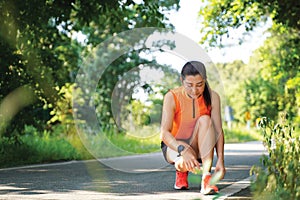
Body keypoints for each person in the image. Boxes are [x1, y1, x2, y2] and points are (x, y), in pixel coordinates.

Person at [160, 61, 225, 195]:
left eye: (199, 85)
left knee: (206, 120)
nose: (194, 90)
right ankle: (181, 171)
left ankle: (206, 178)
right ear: (182, 80)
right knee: (183, 162)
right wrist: (182, 150)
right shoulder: (171, 97)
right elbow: (164, 133)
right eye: (189, 85)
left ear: (205, 81)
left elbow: (218, 131)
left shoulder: (213, 97)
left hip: (200, 144)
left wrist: (220, 161)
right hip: (175, 145)